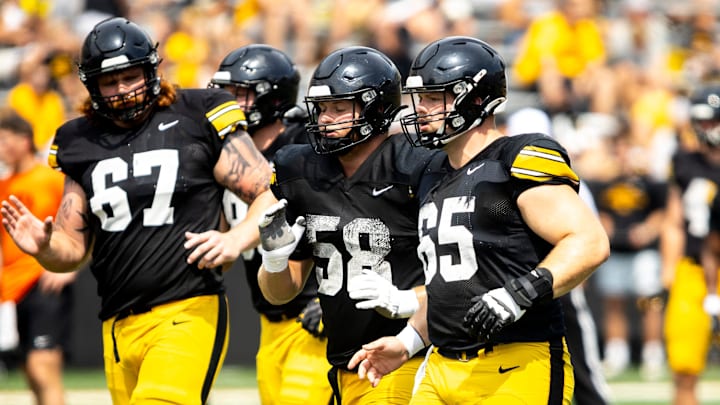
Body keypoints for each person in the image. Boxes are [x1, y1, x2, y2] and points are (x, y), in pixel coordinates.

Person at [0, 17, 274, 405]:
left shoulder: (198, 113)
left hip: (187, 309)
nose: (122, 90)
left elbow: (269, 193)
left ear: (151, 70)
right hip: (116, 326)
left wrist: (236, 238)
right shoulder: (78, 140)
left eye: (130, 77)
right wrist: (45, 248)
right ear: (91, 85)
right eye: (109, 82)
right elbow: (72, 250)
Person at [346, 36, 610, 404]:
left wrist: (521, 293)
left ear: (475, 99)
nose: (420, 109)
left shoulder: (515, 159)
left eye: (434, 98)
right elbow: (450, 284)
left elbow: (588, 241)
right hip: (440, 366)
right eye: (419, 98)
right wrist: (407, 343)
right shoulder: (431, 174)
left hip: (516, 364)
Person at [256, 45, 442, 404]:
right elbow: (282, 292)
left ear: (377, 107)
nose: (326, 119)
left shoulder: (417, 168)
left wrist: (407, 300)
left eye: (339, 108)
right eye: (322, 109)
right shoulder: (302, 171)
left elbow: (462, 277)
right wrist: (274, 260)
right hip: (344, 363)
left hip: (408, 358)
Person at [208, 44, 332, 404]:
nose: (228, 104)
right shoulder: (223, 153)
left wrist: (334, 300)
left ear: (273, 99)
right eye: (224, 93)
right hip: (270, 319)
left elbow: (342, 217)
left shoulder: (305, 149)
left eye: (240, 94)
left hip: (313, 315)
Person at [507, 106, 611, 404]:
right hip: (515, 285)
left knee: (582, 372)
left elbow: (589, 239)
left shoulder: (558, 179)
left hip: (553, 282)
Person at [0, 108, 72, 405]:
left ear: (25, 140)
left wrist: (68, 269)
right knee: (30, 370)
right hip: (14, 290)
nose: (2, 148)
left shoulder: (50, 179)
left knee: (44, 369)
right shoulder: (4, 185)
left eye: (5, 140)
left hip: (43, 282)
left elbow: (82, 223)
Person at [662, 82, 720, 405]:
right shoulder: (684, 160)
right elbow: (674, 220)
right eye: (703, 121)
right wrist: (668, 271)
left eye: (713, 120)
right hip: (694, 267)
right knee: (684, 367)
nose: (707, 128)